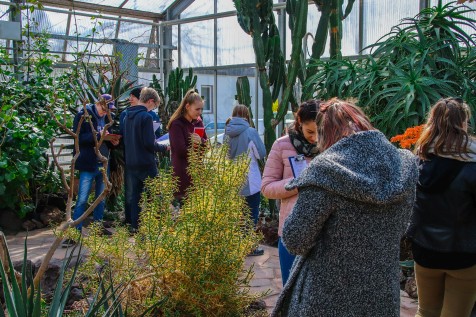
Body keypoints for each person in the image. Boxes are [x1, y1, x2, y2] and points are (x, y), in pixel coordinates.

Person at [271, 98, 419, 317]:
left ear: (326, 134)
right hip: (381, 294)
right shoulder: (404, 165)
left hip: (325, 297)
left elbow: (294, 239)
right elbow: (404, 226)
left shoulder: (326, 170)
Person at [406, 97, 476, 317]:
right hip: (464, 254)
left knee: (426, 311)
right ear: (463, 124)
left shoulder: (418, 162)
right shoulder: (472, 166)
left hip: (424, 251)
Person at [261, 100, 320, 284]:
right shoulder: (282, 146)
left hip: (322, 232)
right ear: (299, 121)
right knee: (291, 289)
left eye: (319, 132)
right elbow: (267, 187)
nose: (315, 138)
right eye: (310, 132)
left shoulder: (330, 144)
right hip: (291, 231)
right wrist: (297, 183)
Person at [64, 94, 119, 246]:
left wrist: (112, 141)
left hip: (103, 162)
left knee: (101, 197)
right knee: (82, 199)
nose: (106, 112)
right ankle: (75, 233)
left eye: (108, 109)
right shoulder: (84, 115)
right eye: (105, 108)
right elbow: (78, 138)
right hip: (88, 162)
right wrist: (97, 135)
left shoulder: (107, 117)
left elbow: (105, 137)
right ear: (98, 103)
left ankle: (98, 228)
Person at [122, 87, 167, 232]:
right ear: (150, 101)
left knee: (136, 198)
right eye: (154, 106)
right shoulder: (146, 117)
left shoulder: (127, 115)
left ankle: (135, 227)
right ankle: (155, 227)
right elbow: (149, 143)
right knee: (155, 194)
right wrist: (164, 148)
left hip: (131, 162)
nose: (152, 109)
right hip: (146, 163)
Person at [224, 104, 267, 256]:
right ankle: (249, 246)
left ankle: (236, 246)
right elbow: (260, 154)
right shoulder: (250, 131)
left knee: (237, 213)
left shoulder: (226, 133)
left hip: (233, 178)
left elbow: (226, 156)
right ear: (247, 116)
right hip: (250, 179)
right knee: (252, 212)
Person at [167, 89, 207, 202]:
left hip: (198, 172)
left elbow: (206, 145)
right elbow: (180, 150)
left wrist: (201, 142)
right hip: (183, 173)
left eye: (201, 109)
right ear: (187, 106)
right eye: (197, 109)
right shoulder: (177, 124)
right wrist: (197, 147)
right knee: (185, 208)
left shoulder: (198, 122)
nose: (200, 112)